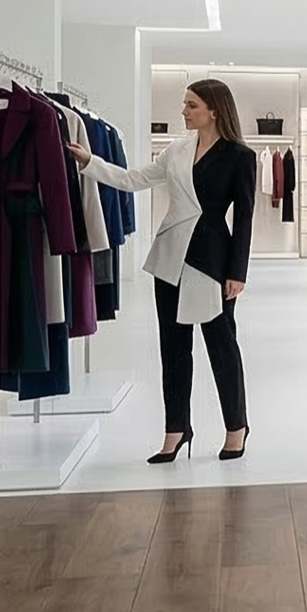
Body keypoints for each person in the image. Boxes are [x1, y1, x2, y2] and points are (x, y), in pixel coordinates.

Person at [69, 77, 255, 463]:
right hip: (170, 255)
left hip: (213, 261)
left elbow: (246, 218)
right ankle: (176, 430)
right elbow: (134, 179)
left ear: (214, 110)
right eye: (185, 104)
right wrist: (90, 163)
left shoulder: (240, 156)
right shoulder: (177, 149)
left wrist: (238, 272)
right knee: (172, 349)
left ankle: (236, 427)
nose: (184, 111)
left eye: (191, 105)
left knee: (221, 347)